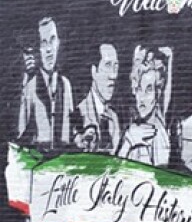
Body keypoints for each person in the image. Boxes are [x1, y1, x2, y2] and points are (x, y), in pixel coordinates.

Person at [18, 17, 75, 150]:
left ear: (59, 43)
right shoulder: (30, 87)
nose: (49, 49)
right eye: (43, 43)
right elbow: (21, 134)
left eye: (52, 40)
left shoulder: (65, 85)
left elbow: (70, 131)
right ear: (37, 48)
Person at [117, 46, 172, 166]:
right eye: (139, 89)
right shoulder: (132, 130)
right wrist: (128, 142)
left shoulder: (159, 134)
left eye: (148, 90)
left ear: (157, 93)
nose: (142, 98)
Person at [75, 44, 121, 154]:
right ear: (94, 72)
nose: (113, 75)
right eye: (107, 65)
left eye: (116, 66)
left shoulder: (114, 118)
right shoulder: (79, 114)